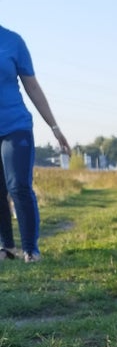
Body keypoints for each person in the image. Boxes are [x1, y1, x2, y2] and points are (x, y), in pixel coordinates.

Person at [0, 23, 71, 262]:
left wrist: (54, 127)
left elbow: (32, 86)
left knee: (18, 185)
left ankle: (30, 248)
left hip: (15, 126)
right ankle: (6, 247)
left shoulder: (13, 42)